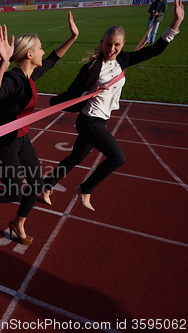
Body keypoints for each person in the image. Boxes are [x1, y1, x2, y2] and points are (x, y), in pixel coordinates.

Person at [42, 0, 184, 211]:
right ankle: (85, 189)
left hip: (100, 119)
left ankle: (46, 185)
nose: (112, 49)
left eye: (116, 45)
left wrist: (175, 24)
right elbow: (71, 95)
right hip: (88, 120)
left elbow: (153, 51)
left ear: (123, 44)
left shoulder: (123, 60)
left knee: (75, 157)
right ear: (102, 43)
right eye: (108, 44)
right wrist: (78, 95)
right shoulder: (91, 67)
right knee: (117, 158)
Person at [0, 12, 79, 245]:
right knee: (12, 192)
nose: (43, 51)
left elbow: (52, 60)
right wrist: (3, 63)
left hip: (22, 139)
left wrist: (72, 38)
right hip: (6, 143)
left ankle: (19, 223)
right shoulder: (13, 78)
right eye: (40, 48)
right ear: (30, 54)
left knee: (35, 184)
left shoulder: (30, 73)